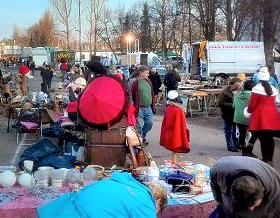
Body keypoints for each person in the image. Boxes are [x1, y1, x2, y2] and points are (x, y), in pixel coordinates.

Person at [38, 172, 166, 217]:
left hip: (65, 208)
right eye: (158, 211)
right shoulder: (146, 202)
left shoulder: (120, 182)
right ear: (158, 201)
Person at [210, 156, 280, 218]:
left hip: (265, 179)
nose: (251, 208)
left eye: (254, 205)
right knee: (230, 210)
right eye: (248, 205)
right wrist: (217, 199)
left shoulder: (276, 194)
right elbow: (214, 184)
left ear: (263, 190)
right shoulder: (219, 169)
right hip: (233, 168)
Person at [244, 67, 280, 166]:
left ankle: (265, 159)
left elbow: (252, 105)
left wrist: (248, 111)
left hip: (260, 116)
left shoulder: (257, 88)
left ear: (259, 78)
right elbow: (276, 101)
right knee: (270, 138)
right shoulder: (273, 88)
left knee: (263, 138)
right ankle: (270, 159)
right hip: (272, 115)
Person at [160, 90, 190, 162]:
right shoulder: (178, 110)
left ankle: (174, 162)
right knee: (175, 145)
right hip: (177, 132)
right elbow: (181, 124)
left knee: (173, 145)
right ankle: (174, 162)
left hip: (170, 131)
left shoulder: (168, 108)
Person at [130, 66, 156, 145]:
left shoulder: (148, 81)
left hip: (148, 107)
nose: (148, 74)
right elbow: (129, 94)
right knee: (138, 126)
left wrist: (153, 105)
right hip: (138, 108)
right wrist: (131, 105)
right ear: (141, 73)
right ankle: (139, 141)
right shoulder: (133, 81)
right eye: (147, 73)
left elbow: (151, 93)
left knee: (150, 123)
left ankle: (143, 136)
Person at [233, 80, 257, 157]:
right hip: (249, 119)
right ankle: (249, 150)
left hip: (238, 118)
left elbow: (234, 106)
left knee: (242, 133)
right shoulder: (253, 95)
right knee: (255, 134)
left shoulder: (237, 94)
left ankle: (243, 150)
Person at [218, 78, 242, 152]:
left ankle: (236, 145)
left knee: (236, 131)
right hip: (227, 114)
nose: (238, 87)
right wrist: (232, 105)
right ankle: (230, 146)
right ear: (231, 84)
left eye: (239, 85)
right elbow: (220, 103)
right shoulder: (225, 92)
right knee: (228, 130)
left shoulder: (240, 90)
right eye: (236, 86)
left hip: (236, 114)